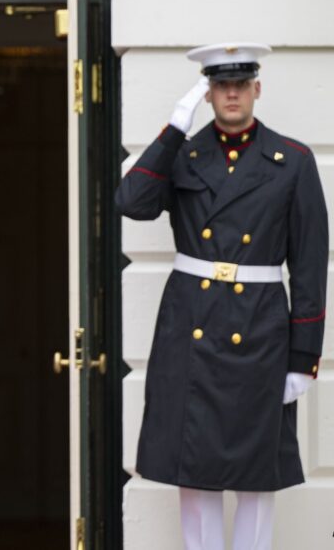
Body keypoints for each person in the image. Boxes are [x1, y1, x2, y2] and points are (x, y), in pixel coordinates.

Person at [116, 43, 327, 550]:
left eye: (240, 84)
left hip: (259, 328)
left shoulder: (292, 161)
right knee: (195, 468)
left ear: (257, 88)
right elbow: (132, 202)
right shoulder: (185, 155)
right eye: (220, 86)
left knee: (257, 475)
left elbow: (310, 264)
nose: (231, 94)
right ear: (207, 94)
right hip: (192, 321)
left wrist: (304, 357)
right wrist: (172, 128)